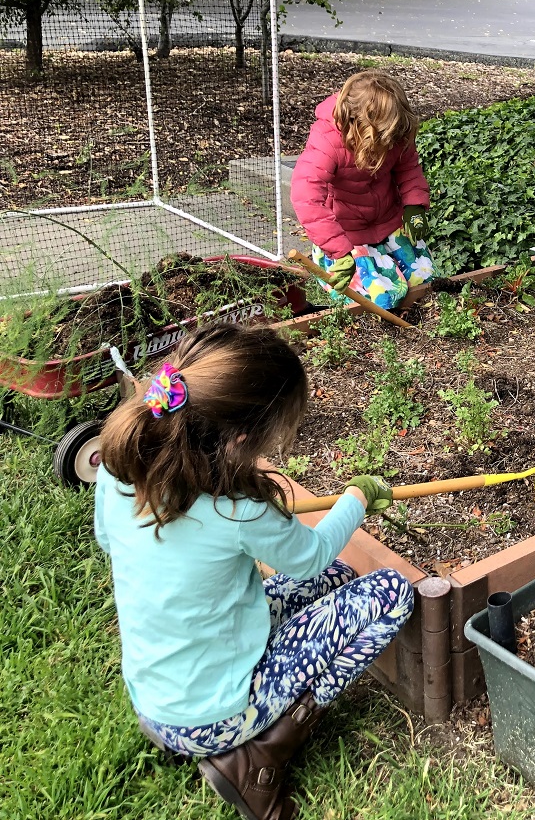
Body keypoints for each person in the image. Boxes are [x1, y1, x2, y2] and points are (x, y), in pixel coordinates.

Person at [94, 324, 412, 820]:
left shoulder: (121, 471)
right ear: (242, 438)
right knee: (389, 592)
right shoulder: (236, 511)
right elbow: (310, 556)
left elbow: (108, 540)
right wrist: (358, 497)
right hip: (213, 715)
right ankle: (258, 754)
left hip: (154, 700)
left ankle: (222, 723)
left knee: (341, 580)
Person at [290, 70, 435, 310]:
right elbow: (306, 197)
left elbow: (408, 168)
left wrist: (414, 206)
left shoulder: (395, 132)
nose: (392, 142)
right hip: (349, 237)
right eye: (385, 136)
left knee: (425, 280)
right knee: (385, 297)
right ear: (360, 124)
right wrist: (338, 250)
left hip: (388, 223)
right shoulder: (328, 140)